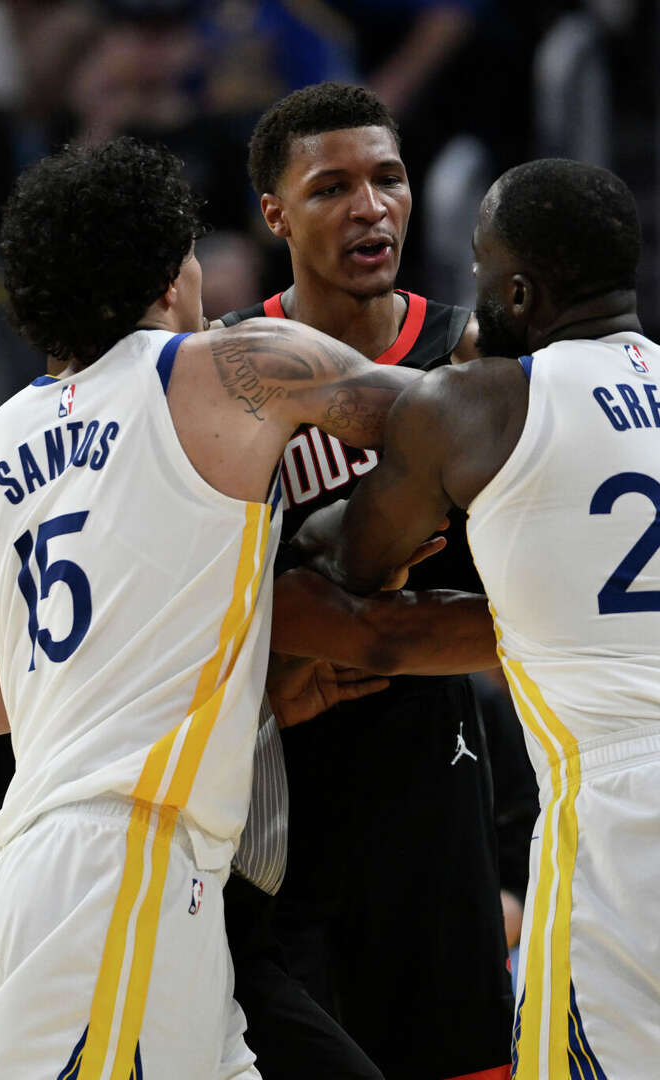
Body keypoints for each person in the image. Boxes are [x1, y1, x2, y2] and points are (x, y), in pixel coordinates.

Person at [0, 136, 448, 1079]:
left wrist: (138, 667)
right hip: (128, 861)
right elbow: (449, 423)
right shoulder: (229, 370)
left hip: (72, 863)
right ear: (165, 273)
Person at [296, 157, 660, 1080]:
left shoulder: (478, 403)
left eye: (481, 270)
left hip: (616, 816)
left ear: (521, 289)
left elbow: (352, 562)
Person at [219, 82, 513, 1080]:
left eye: (387, 179)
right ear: (274, 212)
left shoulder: (469, 354)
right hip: (275, 796)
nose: (370, 207)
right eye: (333, 186)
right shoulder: (223, 369)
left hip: (431, 770)